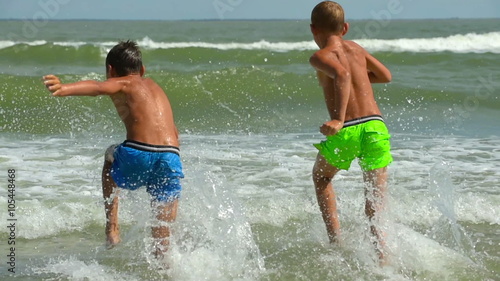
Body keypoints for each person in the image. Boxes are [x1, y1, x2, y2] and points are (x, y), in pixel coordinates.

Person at [43, 40, 184, 258]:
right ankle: (165, 268)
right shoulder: (156, 88)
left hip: (139, 152)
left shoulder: (125, 83)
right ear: (142, 69)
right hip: (171, 157)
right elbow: (175, 134)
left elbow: (98, 88)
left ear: (111, 70)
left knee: (110, 157)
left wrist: (63, 89)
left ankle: (112, 229)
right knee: (162, 237)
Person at [309, 1, 393, 262]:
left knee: (322, 178)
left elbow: (342, 75)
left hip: (349, 129)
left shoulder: (320, 56)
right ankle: (382, 257)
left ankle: (336, 243)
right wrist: (361, 79)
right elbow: (385, 76)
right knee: (375, 200)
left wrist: (338, 119)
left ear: (313, 30)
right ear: (345, 28)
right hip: (376, 127)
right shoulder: (357, 48)